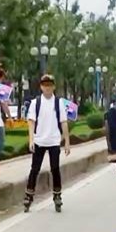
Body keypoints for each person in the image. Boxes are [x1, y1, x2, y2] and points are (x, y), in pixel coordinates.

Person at [24, 74, 71, 211]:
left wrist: (67, 142)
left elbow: (64, 122)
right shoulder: (36, 103)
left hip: (54, 141)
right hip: (39, 140)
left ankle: (57, 195)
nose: (47, 88)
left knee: (55, 169)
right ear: (41, 87)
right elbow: (31, 122)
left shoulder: (59, 103)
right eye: (45, 85)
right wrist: (31, 139)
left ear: (53, 87)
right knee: (34, 169)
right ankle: (29, 195)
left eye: (50, 85)